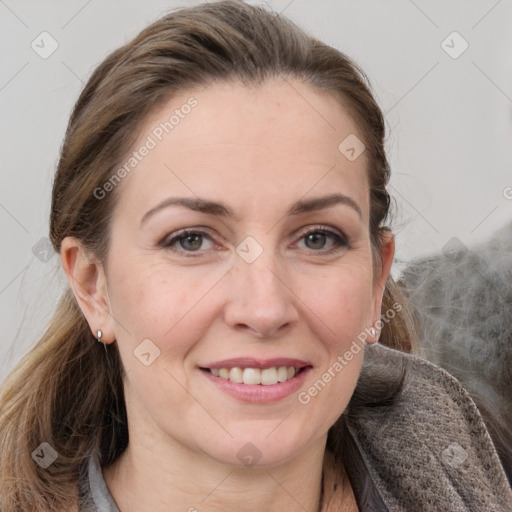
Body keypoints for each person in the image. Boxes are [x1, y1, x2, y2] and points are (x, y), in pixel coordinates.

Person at [0, 1, 510, 511]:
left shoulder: (466, 472)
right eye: (192, 240)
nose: (264, 309)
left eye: (317, 238)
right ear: (93, 286)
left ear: (377, 279)